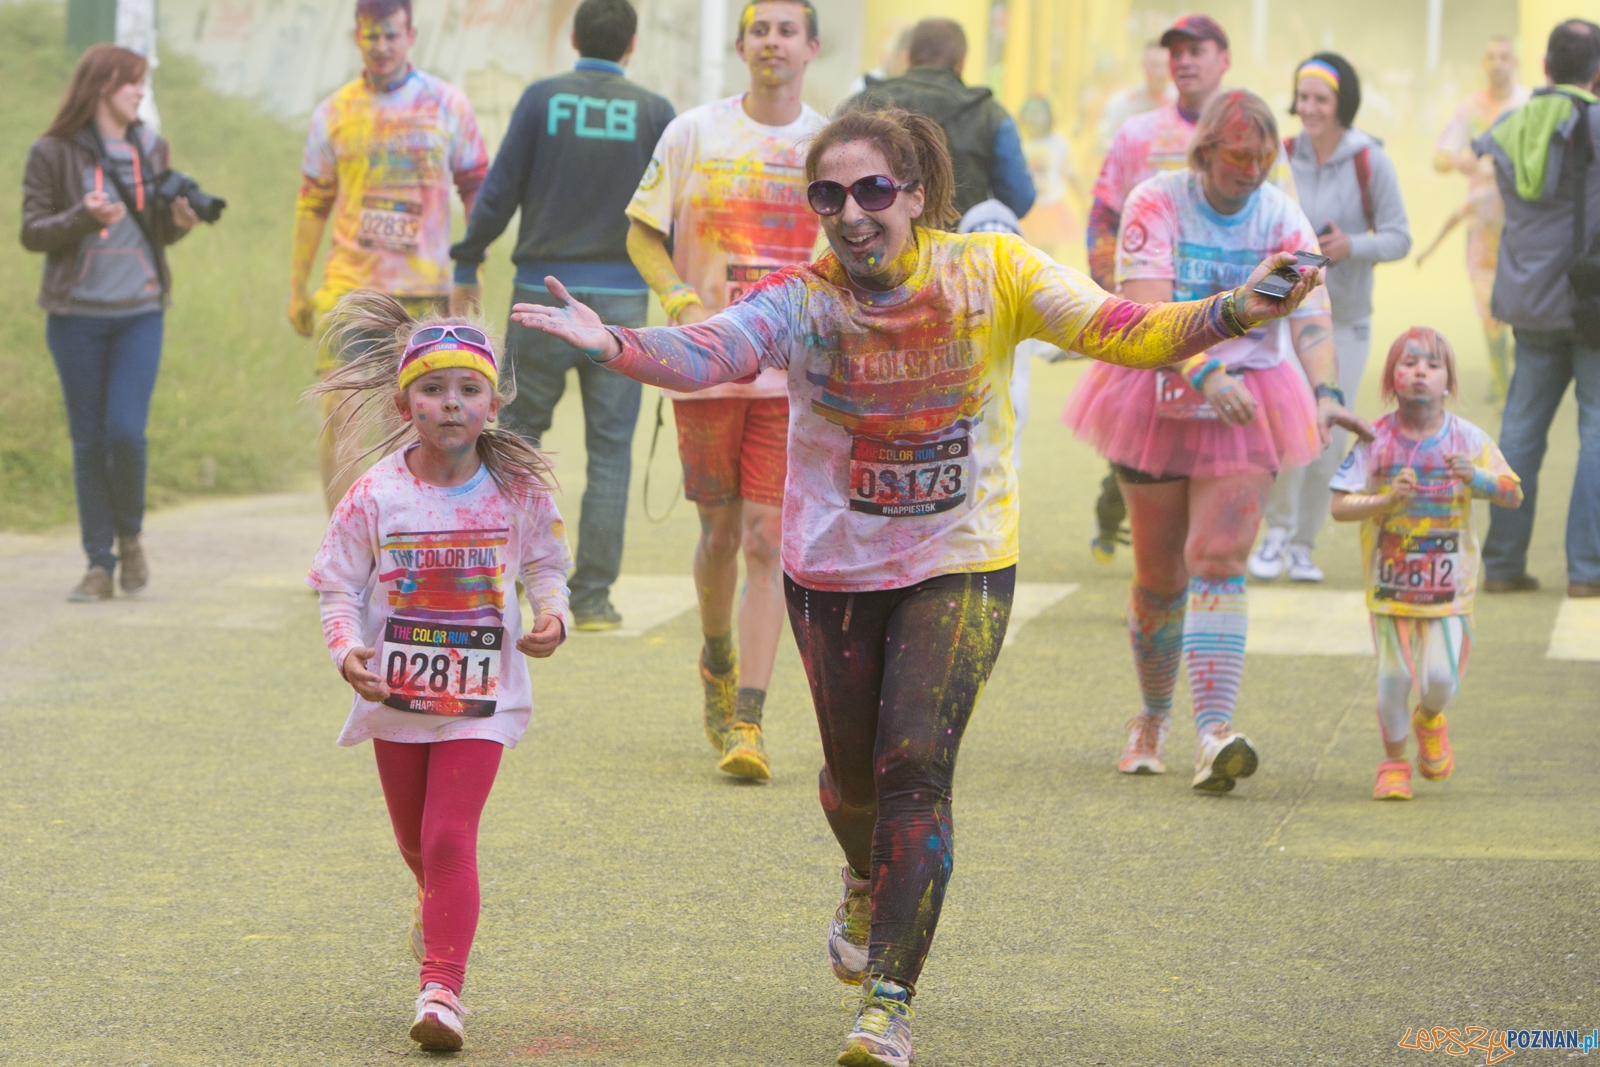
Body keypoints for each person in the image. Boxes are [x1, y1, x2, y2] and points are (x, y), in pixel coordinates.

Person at [513, 105, 1321, 1067]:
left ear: (918, 195)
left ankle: (888, 1002)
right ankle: (864, 874)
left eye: (870, 192)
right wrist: (614, 344)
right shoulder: (802, 298)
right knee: (852, 787)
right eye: (828, 196)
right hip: (834, 569)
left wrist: (1235, 311)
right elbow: (713, 354)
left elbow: (1127, 330)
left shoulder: (995, 272)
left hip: (961, 558)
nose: (850, 215)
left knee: (913, 770)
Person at [1065, 90, 1368, 789]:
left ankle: (1215, 733)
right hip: (1159, 392)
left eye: (1266, 159)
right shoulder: (1156, 200)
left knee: (1220, 556)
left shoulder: (1281, 216)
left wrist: (1325, 393)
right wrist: (1202, 369)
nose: (1254, 173)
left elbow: (1312, 316)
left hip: (1250, 397)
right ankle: (1151, 714)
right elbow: (1146, 306)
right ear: (1205, 153)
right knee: (1159, 575)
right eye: (1239, 158)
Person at [306, 292, 571, 1053]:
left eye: (467, 390)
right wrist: (346, 650)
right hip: (396, 695)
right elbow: (337, 583)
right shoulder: (374, 494)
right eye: (432, 389)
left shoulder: (518, 491)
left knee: (450, 833)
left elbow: (548, 566)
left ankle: (441, 989)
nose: (450, 405)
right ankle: (437, 915)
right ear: (403, 401)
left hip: (480, 699)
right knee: (416, 844)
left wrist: (553, 615)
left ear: (494, 400)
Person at [624, 0, 824, 781]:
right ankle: (715, 655)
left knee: (768, 538)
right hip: (706, 368)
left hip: (790, 373)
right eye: (760, 29)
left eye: (786, 29)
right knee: (717, 532)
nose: (772, 41)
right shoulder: (692, 133)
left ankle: (749, 717)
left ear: (812, 46)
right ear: (742, 46)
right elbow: (642, 230)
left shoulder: (827, 144)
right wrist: (679, 304)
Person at [449, 0, 674, 632]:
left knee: (515, 444)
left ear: (574, 38)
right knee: (610, 454)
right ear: (631, 45)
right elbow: (672, 210)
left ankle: (507, 584)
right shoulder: (656, 112)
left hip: (540, 298)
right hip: (622, 307)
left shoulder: (543, 100)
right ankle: (595, 599)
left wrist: (468, 255)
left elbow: (499, 191)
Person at [288, 0, 488, 513]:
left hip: (426, 296)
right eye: (371, 37)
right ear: (357, 37)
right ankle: (345, 552)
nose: (381, 47)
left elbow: (477, 190)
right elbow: (312, 203)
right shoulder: (333, 113)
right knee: (343, 417)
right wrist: (297, 287)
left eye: (390, 36)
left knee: (418, 425)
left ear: (410, 35)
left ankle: (410, 544)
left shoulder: (447, 104)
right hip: (351, 292)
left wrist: (473, 272)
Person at [22, 44, 200, 602]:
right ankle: (99, 565)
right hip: (75, 316)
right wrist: (84, 216)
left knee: (125, 432)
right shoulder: (52, 152)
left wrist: (181, 222)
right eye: (131, 83)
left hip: (140, 312)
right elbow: (33, 232)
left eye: (143, 83)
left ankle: (132, 536)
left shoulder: (152, 148)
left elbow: (156, 235)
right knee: (88, 441)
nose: (140, 93)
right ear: (101, 86)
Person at [1329, 328, 1521, 800]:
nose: (1419, 372)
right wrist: (1384, 499)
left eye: (1432, 365)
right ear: (1392, 378)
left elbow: (1513, 493)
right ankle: (1393, 763)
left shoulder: (1468, 438)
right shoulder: (1375, 440)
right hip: (1391, 586)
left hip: (1450, 587)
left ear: (1448, 381)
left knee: (1441, 678)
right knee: (1392, 679)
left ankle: (1430, 718)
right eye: (1408, 363)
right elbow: (1339, 505)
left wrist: (1476, 477)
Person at [1251, 54, 1411, 584]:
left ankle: (1303, 544)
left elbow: (1399, 235)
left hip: (1346, 320)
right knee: (1288, 422)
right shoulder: (1280, 156)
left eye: (1321, 99)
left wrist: (1351, 246)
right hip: (1286, 316)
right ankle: (1276, 532)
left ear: (1342, 103)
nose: (1310, 108)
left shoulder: (1371, 160)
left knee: (1327, 433)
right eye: (1303, 97)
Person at [1085, 13, 1232, 563]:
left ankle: (1210, 559)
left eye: (1198, 49)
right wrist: (1111, 288)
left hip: (1230, 326)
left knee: (1217, 459)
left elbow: (1285, 230)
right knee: (1146, 448)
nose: (1184, 60)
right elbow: (1102, 217)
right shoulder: (1138, 134)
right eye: (1177, 51)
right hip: (1150, 323)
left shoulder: (1251, 134)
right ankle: (1133, 528)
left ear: (1225, 60)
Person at [1474, 19, 1600, 599]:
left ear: (1545, 68)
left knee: (1521, 430)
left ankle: (1501, 562)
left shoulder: (1510, 124)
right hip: (1590, 302)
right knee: (1596, 432)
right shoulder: (1593, 122)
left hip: (1526, 301)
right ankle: (1588, 570)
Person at [854, 17, 1036, 219]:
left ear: (908, 58)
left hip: (877, 247)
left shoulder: (861, 105)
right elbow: (1019, 200)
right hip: (962, 247)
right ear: (962, 62)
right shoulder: (991, 115)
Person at [1435, 36, 1530, 402]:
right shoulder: (1469, 109)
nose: (1497, 64)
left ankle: (1519, 371)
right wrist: (1461, 162)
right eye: (1491, 57)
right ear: (1483, 63)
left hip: (1524, 224)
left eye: (1504, 57)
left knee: (1522, 304)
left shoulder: (1528, 105)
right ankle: (1502, 380)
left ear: (1515, 63)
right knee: (1489, 309)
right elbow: (1439, 157)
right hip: (1482, 227)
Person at [1017, 95, 1087, 258]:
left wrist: (1084, 200)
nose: (1034, 118)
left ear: (1048, 116)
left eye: (1039, 113)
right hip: (1027, 209)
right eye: (1030, 113)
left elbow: (1072, 174)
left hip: (1052, 206)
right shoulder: (1019, 141)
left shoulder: (1058, 143)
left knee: (1047, 256)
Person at [1097, 42, 1176, 155]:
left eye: (1165, 65)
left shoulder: (1182, 101)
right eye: (1154, 65)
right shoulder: (1122, 103)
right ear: (1143, 66)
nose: (1160, 72)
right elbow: (1102, 141)